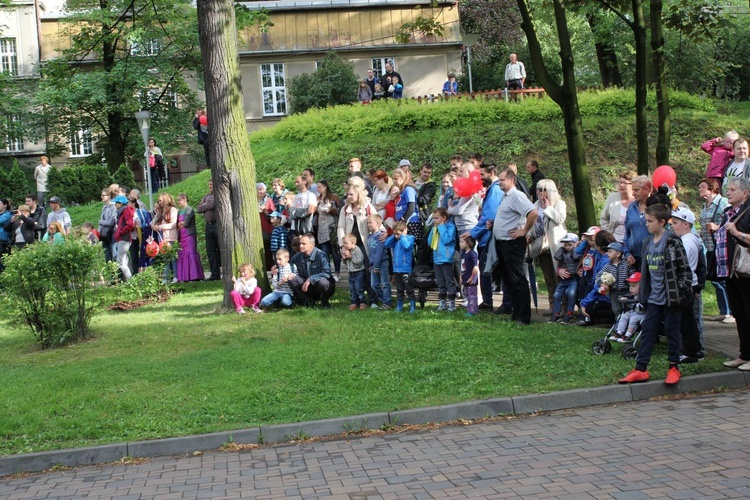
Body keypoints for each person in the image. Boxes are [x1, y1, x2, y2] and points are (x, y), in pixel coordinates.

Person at [618, 203, 693, 385]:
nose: (646, 224)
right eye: (646, 220)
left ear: (662, 222)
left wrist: (679, 292)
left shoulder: (672, 242)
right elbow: (646, 273)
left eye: (650, 221)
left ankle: (673, 367)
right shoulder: (647, 243)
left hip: (671, 299)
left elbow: (685, 271)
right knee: (647, 332)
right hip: (653, 299)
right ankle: (641, 369)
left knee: (672, 332)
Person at [492, 168, 538, 325]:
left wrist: (524, 230)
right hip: (502, 242)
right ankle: (515, 312)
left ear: (511, 180)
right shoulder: (505, 197)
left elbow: (533, 213)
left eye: (502, 180)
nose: (499, 183)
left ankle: (524, 317)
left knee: (518, 279)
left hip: (513, 244)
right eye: (499, 180)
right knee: (509, 280)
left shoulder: (517, 196)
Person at [715, 177, 750, 371]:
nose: (727, 193)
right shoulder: (728, 213)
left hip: (746, 272)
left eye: (733, 190)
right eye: (728, 189)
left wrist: (737, 233)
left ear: (744, 193)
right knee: (739, 314)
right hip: (731, 272)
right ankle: (744, 355)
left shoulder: (748, 211)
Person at [670, 206, 706, 363]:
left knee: (686, 321)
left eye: (675, 222)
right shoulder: (690, 240)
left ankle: (692, 351)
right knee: (687, 320)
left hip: (685, 286)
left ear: (686, 224)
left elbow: (682, 267)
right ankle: (692, 350)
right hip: (689, 284)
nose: (672, 225)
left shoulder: (686, 242)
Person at [465, 163, 503, 310]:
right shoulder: (491, 190)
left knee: (486, 268)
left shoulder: (495, 190)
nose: (479, 178)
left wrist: (473, 233)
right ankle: (488, 300)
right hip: (486, 235)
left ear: (491, 173)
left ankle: (489, 301)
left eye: (482, 174)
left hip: (489, 237)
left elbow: (489, 216)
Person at [338, 183, 379, 307]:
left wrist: (382, 233)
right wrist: (342, 245)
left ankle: (373, 300)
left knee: (368, 272)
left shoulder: (367, 206)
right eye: (347, 194)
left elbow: (376, 220)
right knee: (354, 274)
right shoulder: (345, 210)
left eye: (351, 194)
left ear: (358, 194)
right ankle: (356, 300)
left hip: (366, 244)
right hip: (351, 245)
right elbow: (340, 227)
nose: (349, 197)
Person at [698, 178, 732, 323]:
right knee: (715, 279)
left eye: (702, 187)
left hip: (720, 246)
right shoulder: (706, 205)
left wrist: (717, 227)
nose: (699, 189)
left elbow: (731, 221)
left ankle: (730, 312)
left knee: (721, 279)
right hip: (709, 247)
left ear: (712, 188)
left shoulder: (722, 202)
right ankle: (723, 310)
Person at [528, 179, 568, 301]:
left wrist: (548, 208)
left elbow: (560, 219)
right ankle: (552, 304)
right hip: (541, 245)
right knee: (548, 277)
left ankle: (564, 306)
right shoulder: (535, 205)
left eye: (542, 189)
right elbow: (530, 222)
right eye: (537, 189)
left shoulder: (559, 203)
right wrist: (529, 234)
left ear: (549, 190)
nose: (539, 192)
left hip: (556, 244)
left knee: (559, 276)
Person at [578, 230, 617, 326]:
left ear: (599, 246)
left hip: (608, 296)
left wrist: (584, 303)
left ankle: (611, 315)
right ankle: (605, 317)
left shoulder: (607, 261)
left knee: (586, 308)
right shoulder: (603, 256)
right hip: (604, 295)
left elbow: (599, 287)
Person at [288, 233, 335, 307]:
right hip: (306, 286)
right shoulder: (297, 257)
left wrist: (311, 279)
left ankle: (324, 301)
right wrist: (276, 267)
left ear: (312, 245)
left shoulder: (321, 255)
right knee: (292, 279)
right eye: (300, 243)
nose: (300, 246)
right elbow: (287, 265)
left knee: (323, 282)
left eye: (304, 244)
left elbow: (326, 273)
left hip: (319, 285)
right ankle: (308, 301)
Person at [429, 207, 458, 312]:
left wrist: (441, 227)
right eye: (433, 218)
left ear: (444, 218)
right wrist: (433, 231)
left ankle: (452, 303)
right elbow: (430, 242)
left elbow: (447, 239)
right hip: (437, 258)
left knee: (449, 281)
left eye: (436, 218)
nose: (434, 220)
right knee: (440, 282)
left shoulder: (450, 227)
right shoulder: (435, 228)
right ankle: (442, 303)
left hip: (446, 258)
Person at [549, 233, 581, 324]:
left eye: (570, 245)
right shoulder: (563, 251)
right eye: (565, 245)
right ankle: (556, 313)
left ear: (575, 244)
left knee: (571, 294)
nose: (567, 247)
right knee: (557, 295)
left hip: (573, 278)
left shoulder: (576, 252)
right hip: (564, 279)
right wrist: (562, 248)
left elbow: (575, 257)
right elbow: (556, 257)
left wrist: (575, 248)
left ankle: (570, 312)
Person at [385, 221, 416, 313]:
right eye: (395, 234)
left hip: (406, 269)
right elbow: (386, 244)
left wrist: (402, 236)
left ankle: (412, 306)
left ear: (405, 230)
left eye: (398, 234)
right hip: (396, 270)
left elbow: (407, 246)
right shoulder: (395, 240)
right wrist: (394, 235)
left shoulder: (410, 238)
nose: (396, 236)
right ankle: (399, 307)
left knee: (409, 289)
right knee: (399, 289)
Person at [623, 175, 652, 270]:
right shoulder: (631, 207)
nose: (633, 194)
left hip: (652, 255)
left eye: (636, 190)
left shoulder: (655, 207)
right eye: (632, 190)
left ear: (647, 189)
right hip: (635, 258)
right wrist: (627, 253)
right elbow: (627, 233)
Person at [600, 171, 636, 242]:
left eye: (624, 183)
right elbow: (603, 219)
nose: (621, 185)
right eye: (620, 182)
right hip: (613, 241)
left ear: (633, 185)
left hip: (633, 241)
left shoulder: (638, 199)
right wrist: (608, 235)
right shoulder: (612, 197)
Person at [175, 193, 205, 282]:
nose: (178, 202)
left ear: (184, 199)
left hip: (189, 236)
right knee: (183, 254)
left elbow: (186, 223)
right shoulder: (179, 212)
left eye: (179, 200)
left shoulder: (189, 210)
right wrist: (181, 224)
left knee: (191, 253)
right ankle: (185, 276)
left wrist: (182, 224)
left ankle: (194, 275)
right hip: (182, 236)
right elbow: (178, 224)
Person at [611, 272, 646, 343]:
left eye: (634, 286)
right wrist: (625, 300)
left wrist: (629, 303)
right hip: (635, 313)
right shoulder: (634, 295)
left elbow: (641, 308)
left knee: (633, 318)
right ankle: (619, 332)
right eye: (630, 286)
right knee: (624, 315)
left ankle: (628, 336)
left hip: (643, 314)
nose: (631, 289)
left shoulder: (644, 297)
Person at [197, 180, 221, 281]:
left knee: (220, 249)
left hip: (217, 225)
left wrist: (205, 205)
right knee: (210, 250)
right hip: (208, 225)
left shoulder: (218, 194)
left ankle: (223, 271)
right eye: (209, 184)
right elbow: (199, 208)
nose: (210, 186)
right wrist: (207, 205)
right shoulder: (206, 196)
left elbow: (213, 205)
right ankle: (214, 273)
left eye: (211, 184)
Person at [152, 193, 179, 283]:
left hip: (170, 237)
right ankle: (166, 277)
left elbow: (173, 224)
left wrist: (160, 227)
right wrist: (155, 225)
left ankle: (176, 276)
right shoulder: (163, 211)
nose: (159, 202)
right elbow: (159, 219)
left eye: (160, 200)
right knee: (165, 258)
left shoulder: (173, 210)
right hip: (164, 237)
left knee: (172, 257)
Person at [392, 167, 422, 247]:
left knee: (409, 248)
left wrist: (403, 220)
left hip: (411, 223)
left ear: (403, 178)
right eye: (393, 179)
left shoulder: (408, 189)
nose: (394, 181)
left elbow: (411, 207)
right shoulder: (402, 190)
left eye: (396, 178)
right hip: (403, 223)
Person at [367, 214, 391, 309]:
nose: (368, 224)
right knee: (374, 284)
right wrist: (371, 264)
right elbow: (371, 252)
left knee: (385, 283)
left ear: (377, 223)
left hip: (382, 263)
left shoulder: (380, 236)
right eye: (367, 223)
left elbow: (379, 252)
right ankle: (384, 300)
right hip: (374, 265)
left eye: (370, 222)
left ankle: (387, 303)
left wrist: (376, 265)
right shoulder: (369, 236)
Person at [599, 241, 630, 315]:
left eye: (610, 251)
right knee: (616, 309)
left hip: (627, 292)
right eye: (607, 251)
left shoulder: (626, 264)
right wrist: (601, 284)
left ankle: (627, 324)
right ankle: (618, 323)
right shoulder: (608, 266)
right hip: (614, 292)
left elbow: (632, 274)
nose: (607, 253)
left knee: (628, 309)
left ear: (618, 254)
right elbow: (598, 275)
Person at [342, 233, 366, 310]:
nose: (344, 245)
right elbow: (345, 262)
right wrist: (345, 258)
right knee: (352, 289)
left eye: (346, 243)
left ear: (352, 242)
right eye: (343, 243)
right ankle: (354, 302)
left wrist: (351, 257)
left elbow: (359, 261)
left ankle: (362, 302)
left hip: (358, 272)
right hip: (351, 273)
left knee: (359, 288)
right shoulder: (348, 250)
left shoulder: (357, 250)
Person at [112, 195, 134, 281]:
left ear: (120, 203)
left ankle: (130, 281)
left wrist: (121, 232)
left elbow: (130, 224)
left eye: (116, 203)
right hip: (121, 238)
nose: (115, 205)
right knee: (124, 261)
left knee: (120, 262)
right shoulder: (121, 211)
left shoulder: (126, 210)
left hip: (124, 238)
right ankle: (131, 280)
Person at [257, 182, 276, 270]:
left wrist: (265, 211)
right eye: (259, 189)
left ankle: (269, 268)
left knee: (267, 248)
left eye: (263, 189)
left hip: (266, 227)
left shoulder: (269, 200)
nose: (261, 192)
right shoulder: (252, 200)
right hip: (256, 227)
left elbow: (274, 215)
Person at [460, 235, 479, 317]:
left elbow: (475, 267)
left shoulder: (472, 254)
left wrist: (472, 277)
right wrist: (460, 277)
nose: (460, 244)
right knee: (468, 295)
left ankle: (472, 311)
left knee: (472, 296)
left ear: (468, 243)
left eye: (462, 242)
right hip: (465, 278)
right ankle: (469, 309)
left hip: (471, 279)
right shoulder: (464, 254)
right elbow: (461, 266)